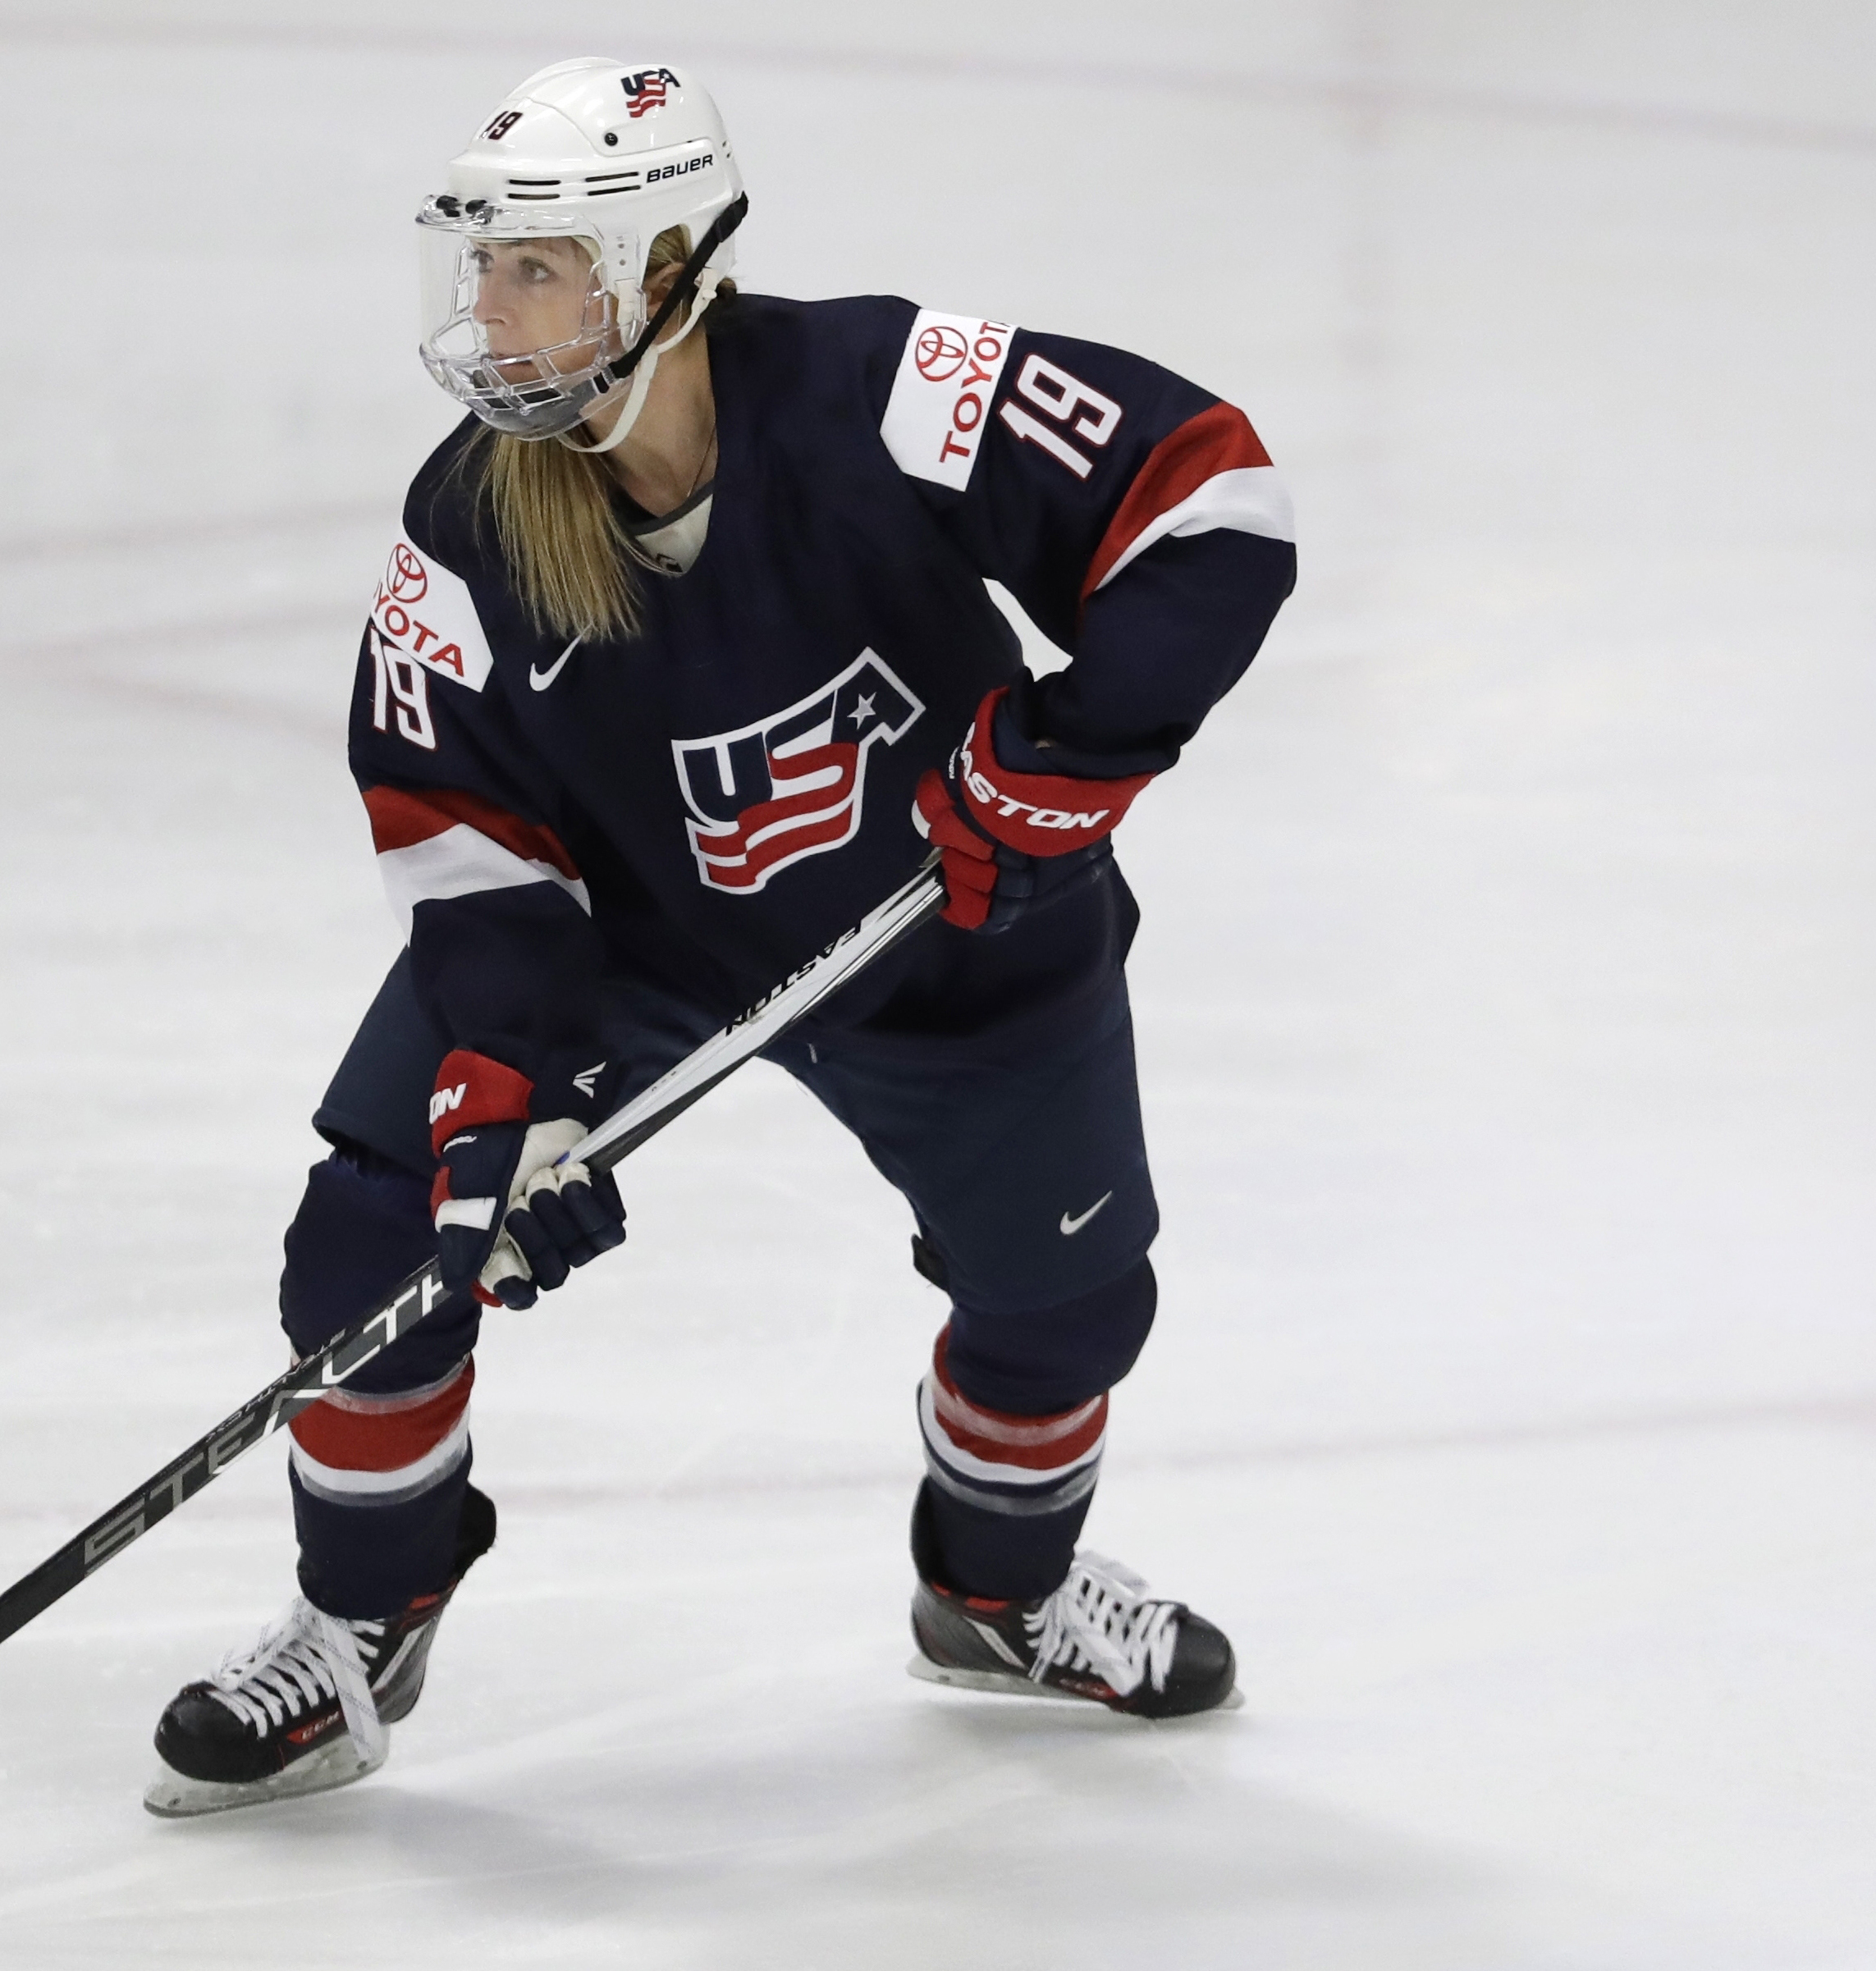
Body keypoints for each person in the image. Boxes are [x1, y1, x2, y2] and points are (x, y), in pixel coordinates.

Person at [144, 57, 1297, 1818]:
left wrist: (1073, 755)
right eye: (487, 266)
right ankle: (362, 1615)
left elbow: (1208, 496)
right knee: (379, 1235)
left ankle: (996, 1590)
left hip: (963, 932)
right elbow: (461, 842)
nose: (491, 309)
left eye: (539, 266)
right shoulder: (468, 524)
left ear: (667, 263)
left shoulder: (886, 388)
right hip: (644, 935)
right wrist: (500, 1090)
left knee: (1063, 1308)